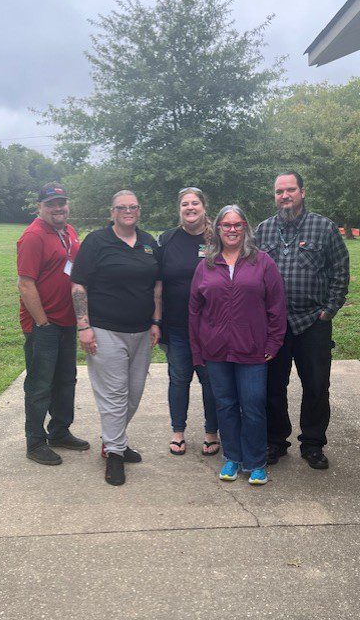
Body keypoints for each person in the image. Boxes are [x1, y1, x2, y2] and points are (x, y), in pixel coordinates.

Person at [255, 171, 350, 470]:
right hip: (275, 326)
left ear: (302, 192)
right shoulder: (263, 230)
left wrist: (329, 310)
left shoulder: (324, 227)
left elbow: (340, 270)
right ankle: (275, 442)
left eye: (290, 190)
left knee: (317, 385)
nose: (285, 195)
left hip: (313, 323)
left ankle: (312, 444)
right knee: (272, 385)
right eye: (279, 191)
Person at [189, 205, 286, 485]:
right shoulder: (205, 265)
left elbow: (277, 307)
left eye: (237, 224)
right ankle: (232, 457)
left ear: (245, 228)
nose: (232, 230)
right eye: (226, 225)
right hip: (216, 350)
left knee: (253, 405)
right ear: (217, 229)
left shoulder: (263, 262)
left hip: (253, 349)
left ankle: (255, 462)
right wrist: (197, 350)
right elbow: (194, 311)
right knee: (226, 405)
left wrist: (273, 342)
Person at [70, 190, 161, 486]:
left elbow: (157, 286)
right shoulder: (97, 241)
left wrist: (156, 321)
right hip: (106, 330)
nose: (128, 211)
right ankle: (115, 455)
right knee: (114, 396)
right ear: (112, 212)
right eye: (121, 207)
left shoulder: (149, 242)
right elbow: (79, 285)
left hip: (142, 331)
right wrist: (83, 326)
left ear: (139, 210)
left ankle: (113, 441)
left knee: (133, 394)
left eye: (133, 207)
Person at [17, 182, 89, 466]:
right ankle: (35, 442)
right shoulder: (33, 236)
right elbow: (25, 284)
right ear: (39, 207)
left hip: (67, 320)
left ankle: (60, 431)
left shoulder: (68, 231)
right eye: (51, 204)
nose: (58, 208)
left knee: (65, 380)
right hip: (44, 325)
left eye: (62, 202)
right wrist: (43, 324)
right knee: (39, 386)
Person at [158, 187, 219, 457]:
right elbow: (158, 283)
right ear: (179, 208)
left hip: (211, 326)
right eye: (185, 204)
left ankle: (211, 434)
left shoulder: (217, 238)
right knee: (179, 379)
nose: (190, 208)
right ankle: (178, 432)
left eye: (195, 203)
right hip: (177, 325)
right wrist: (156, 322)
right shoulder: (167, 239)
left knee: (211, 381)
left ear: (204, 206)